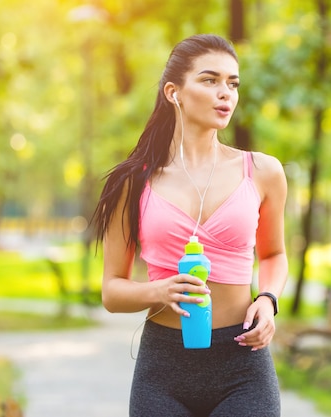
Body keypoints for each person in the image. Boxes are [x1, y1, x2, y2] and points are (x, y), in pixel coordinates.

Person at [92, 34, 288, 417]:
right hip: (163, 370)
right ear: (173, 92)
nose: (225, 94)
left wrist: (267, 300)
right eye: (210, 80)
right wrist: (160, 290)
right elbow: (112, 292)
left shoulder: (263, 171)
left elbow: (275, 253)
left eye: (233, 84)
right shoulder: (133, 184)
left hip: (243, 363)